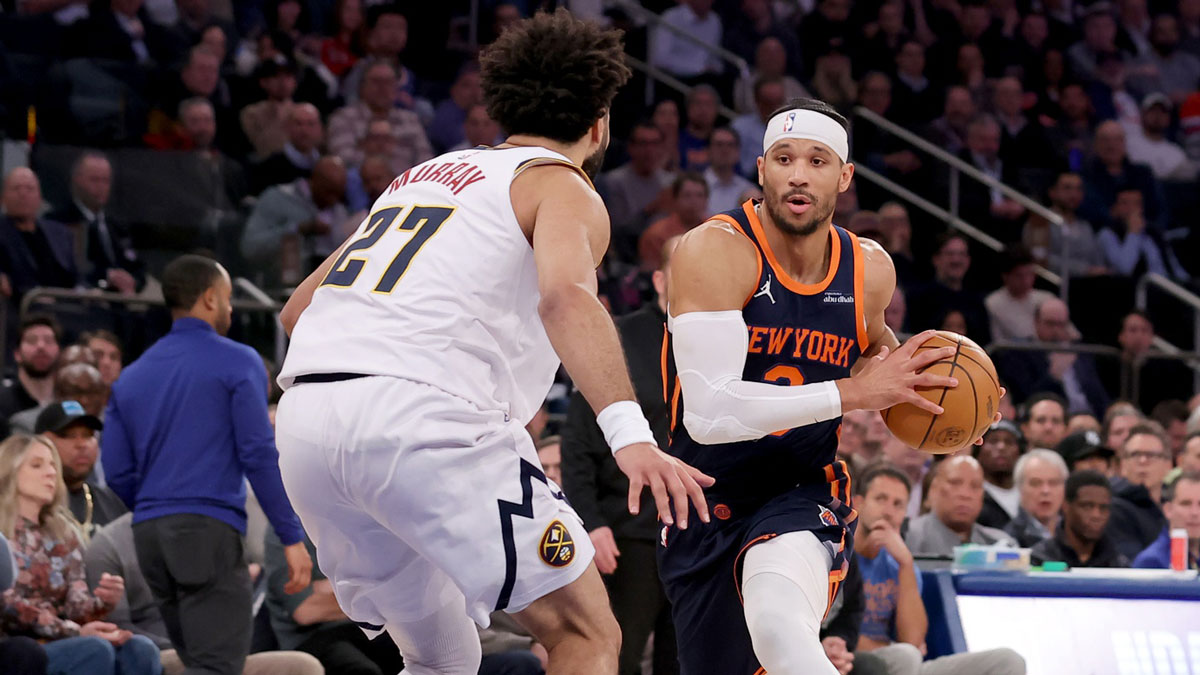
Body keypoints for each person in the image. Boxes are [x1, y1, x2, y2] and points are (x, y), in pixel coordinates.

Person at [274, 11, 712, 675]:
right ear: (599, 121)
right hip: (420, 420)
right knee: (588, 634)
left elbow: (296, 310)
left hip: (309, 428)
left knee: (443, 656)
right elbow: (567, 297)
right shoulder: (561, 183)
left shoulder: (421, 176)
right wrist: (632, 435)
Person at [658, 96, 993, 674]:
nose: (798, 174)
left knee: (780, 628)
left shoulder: (869, 270)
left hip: (800, 490)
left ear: (844, 176)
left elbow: (887, 362)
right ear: (761, 170)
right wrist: (852, 393)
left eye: (817, 160)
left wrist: (957, 410)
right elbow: (708, 412)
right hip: (703, 496)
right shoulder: (715, 251)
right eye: (783, 158)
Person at [101, 255, 312, 675]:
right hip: (206, 531)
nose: (232, 310)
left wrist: (157, 507)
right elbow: (257, 452)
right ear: (211, 298)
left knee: (198, 662)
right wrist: (290, 534)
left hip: (149, 536)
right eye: (230, 298)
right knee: (218, 667)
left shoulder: (131, 375)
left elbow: (117, 471)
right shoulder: (238, 360)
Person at [561, 236, 681, 675]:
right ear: (658, 279)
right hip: (628, 535)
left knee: (688, 661)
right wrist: (590, 523)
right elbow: (576, 443)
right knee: (618, 657)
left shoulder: (726, 344)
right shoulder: (620, 337)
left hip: (699, 535)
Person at [85, 513, 325, 675]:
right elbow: (119, 630)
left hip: (218, 651)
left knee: (303, 667)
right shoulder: (108, 544)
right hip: (159, 653)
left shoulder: (206, 531)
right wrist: (194, 649)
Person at [0, 434, 162, 675]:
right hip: (18, 647)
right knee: (94, 650)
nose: (51, 472)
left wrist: (102, 602)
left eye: (53, 464)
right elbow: (8, 606)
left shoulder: (63, 532)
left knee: (141, 648)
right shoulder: (3, 532)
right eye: (37, 465)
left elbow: (76, 605)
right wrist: (74, 632)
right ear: (9, 473)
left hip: (69, 637)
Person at [845, 465, 1027, 675]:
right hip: (849, 662)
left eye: (898, 504)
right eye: (880, 499)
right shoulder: (840, 556)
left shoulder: (901, 564)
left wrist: (905, 563)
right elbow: (830, 633)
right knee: (904, 656)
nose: (888, 511)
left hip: (902, 665)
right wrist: (892, 649)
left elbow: (912, 640)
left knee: (1007, 661)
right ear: (858, 503)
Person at [241, 156, 349, 286]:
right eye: (329, 191)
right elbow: (250, 247)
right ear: (314, 180)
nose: (333, 200)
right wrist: (297, 230)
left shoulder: (339, 211)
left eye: (338, 194)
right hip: (278, 288)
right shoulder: (276, 199)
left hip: (326, 290)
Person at [47, 152, 145, 295]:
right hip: (81, 304)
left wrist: (132, 281)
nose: (101, 187)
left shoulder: (117, 226)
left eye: (105, 181)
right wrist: (106, 277)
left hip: (122, 304)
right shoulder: (58, 221)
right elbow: (67, 268)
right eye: (94, 180)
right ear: (77, 180)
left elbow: (137, 266)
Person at [35, 400, 126, 541]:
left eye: (88, 435)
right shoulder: (30, 503)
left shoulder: (109, 500)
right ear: (42, 443)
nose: (82, 444)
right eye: (69, 435)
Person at [906, 456, 1018, 557]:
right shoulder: (906, 537)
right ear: (933, 489)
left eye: (975, 486)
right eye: (954, 483)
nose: (965, 494)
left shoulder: (1003, 546)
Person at [0, 168, 80, 302]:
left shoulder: (60, 233)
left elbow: (76, 275)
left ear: (39, 197)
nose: (23, 194)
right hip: (21, 306)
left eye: (30, 189)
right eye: (16, 188)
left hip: (66, 305)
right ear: (2, 198)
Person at [1031, 470, 1129, 567]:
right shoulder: (1039, 561)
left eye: (1103, 508)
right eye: (1087, 506)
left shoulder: (1119, 566)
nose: (1096, 515)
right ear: (1066, 506)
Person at [904, 233, 990, 342]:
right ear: (936, 259)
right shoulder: (918, 298)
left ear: (968, 260)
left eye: (961, 254)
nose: (956, 260)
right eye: (950, 254)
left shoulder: (977, 302)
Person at [597, 121, 673, 239]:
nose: (649, 150)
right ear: (631, 147)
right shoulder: (614, 182)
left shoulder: (670, 182)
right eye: (643, 144)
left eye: (655, 143)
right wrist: (649, 210)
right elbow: (616, 229)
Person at [1107, 423, 1172, 559]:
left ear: (1168, 465)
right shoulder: (1114, 508)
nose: (1143, 461)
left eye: (1151, 455)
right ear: (1123, 464)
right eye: (1135, 454)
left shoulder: (1175, 507)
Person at [1025, 171, 1106, 277]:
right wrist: (1084, 270)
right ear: (1052, 192)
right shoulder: (1039, 222)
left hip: (1089, 284)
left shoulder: (1085, 226)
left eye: (1078, 189)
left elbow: (1096, 260)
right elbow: (1040, 259)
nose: (1074, 194)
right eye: (1067, 188)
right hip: (1054, 285)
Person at [984, 246, 1056, 343]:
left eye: (1030, 274)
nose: (1026, 281)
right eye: (1019, 276)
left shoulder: (1047, 299)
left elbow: (1070, 336)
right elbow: (997, 344)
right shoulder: (992, 304)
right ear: (1005, 276)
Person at [249, 103, 325, 195]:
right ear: (288, 127)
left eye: (311, 124)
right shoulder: (269, 168)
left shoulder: (326, 170)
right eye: (298, 123)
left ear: (320, 129)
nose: (304, 130)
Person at [638, 173, 709, 271]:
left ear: (706, 200)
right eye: (687, 195)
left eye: (699, 195)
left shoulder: (716, 231)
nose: (694, 201)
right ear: (675, 200)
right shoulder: (655, 235)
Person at [0, 315, 61, 424]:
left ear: (58, 350)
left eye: (48, 340)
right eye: (31, 340)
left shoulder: (67, 400)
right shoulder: (2, 402)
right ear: (17, 354)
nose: (41, 346)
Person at [1132, 471, 1200, 569]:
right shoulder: (1152, 561)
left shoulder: (1194, 557)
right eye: (1186, 504)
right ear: (1168, 510)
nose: (1195, 512)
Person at [1004, 449, 1068, 546]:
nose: (1045, 490)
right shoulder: (1009, 540)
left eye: (1053, 483)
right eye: (1036, 483)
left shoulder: (1079, 532)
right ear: (1020, 488)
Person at [975, 421, 1025, 529]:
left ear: (1020, 452)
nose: (1001, 447)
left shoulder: (1030, 492)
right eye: (993, 441)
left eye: (1009, 442)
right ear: (978, 451)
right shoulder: (972, 494)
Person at [704, 128, 756, 215]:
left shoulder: (748, 189)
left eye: (730, 145)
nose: (725, 150)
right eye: (719, 145)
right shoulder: (696, 187)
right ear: (708, 151)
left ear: (738, 152)